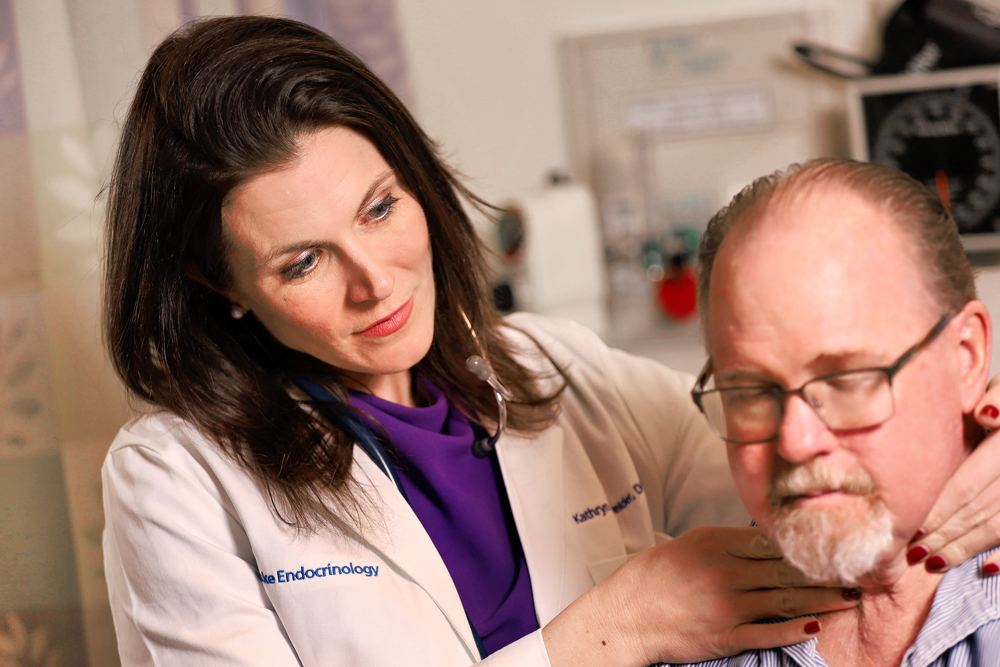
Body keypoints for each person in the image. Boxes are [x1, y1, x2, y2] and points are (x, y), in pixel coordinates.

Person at [99, 16, 1000, 667]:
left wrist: (979, 437)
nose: (375, 279)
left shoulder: (552, 370)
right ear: (222, 288)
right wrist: (608, 634)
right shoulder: (179, 481)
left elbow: (798, 456)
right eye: (303, 262)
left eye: (380, 208)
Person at [667, 157, 1000, 666]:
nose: (797, 441)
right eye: (752, 392)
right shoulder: (680, 645)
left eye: (846, 379)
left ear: (966, 357)